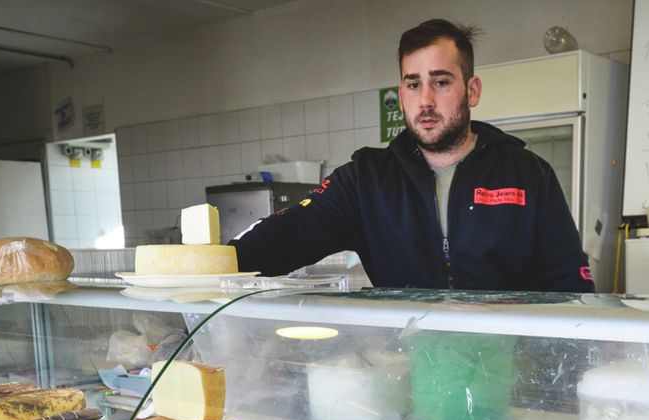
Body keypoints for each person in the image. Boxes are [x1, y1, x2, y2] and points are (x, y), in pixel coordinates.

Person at [230, 19, 594, 292]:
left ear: (472, 90)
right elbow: (287, 235)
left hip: (508, 374)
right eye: (413, 84)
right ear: (401, 93)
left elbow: (570, 287)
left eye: (441, 81)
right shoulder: (365, 181)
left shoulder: (528, 175)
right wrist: (210, 263)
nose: (426, 101)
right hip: (411, 369)